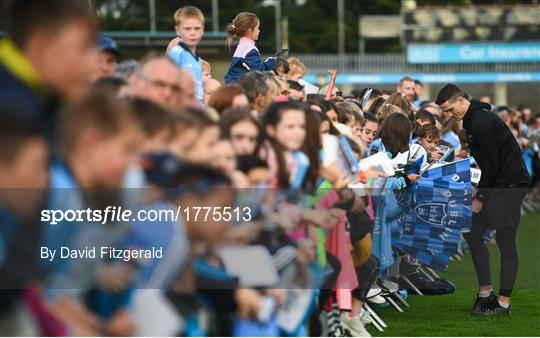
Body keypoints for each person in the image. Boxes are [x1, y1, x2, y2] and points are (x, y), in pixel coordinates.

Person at [436, 83, 530, 315]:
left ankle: (503, 303)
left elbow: (493, 165)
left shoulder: (480, 122)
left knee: (506, 243)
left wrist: (480, 196)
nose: (450, 115)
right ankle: (486, 294)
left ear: (460, 101)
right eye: (445, 112)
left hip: (508, 186)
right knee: (473, 232)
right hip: (501, 184)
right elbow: (490, 164)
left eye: (450, 109)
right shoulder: (477, 119)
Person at [0, 0, 97, 143]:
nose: (93, 63)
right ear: (42, 49)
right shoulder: (12, 116)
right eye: (84, 48)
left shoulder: (42, 100)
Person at [224, 12, 276, 83]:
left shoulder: (243, 46)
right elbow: (259, 70)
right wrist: (272, 61)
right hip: (238, 89)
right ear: (250, 30)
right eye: (257, 28)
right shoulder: (249, 48)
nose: (259, 31)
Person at [168, 6, 205, 106]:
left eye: (197, 28)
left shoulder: (198, 60)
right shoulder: (176, 53)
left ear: (203, 30)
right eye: (187, 28)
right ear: (178, 30)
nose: (192, 32)